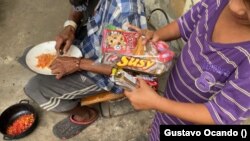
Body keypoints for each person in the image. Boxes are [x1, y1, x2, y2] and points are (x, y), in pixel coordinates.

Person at [124, 0, 250, 140]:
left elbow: (220, 113)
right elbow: (183, 24)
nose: (235, 6)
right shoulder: (216, 3)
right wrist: (157, 36)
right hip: (169, 105)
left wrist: (156, 103)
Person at [24, 0, 147, 139]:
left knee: (35, 88)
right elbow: (78, 6)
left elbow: (126, 73)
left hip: (107, 73)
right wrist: (70, 26)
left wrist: (78, 64)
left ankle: (86, 115)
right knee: (28, 56)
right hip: (89, 43)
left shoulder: (126, 11)